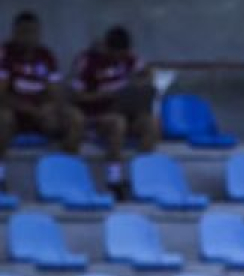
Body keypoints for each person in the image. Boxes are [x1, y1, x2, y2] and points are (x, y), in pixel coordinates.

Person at [69, 25, 158, 198]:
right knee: (117, 123)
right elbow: (77, 96)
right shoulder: (88, 60)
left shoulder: (128, 58)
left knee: (151, 124)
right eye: (117, 54)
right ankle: (114, 180)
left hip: (126, 111)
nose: (120, 58)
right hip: (96, 117)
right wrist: (105, 95)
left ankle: (140, 179)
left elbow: (148, 73)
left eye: (124, 55)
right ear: (108, 48)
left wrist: (139, 84)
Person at [0, 11, 82, 188]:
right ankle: (1, 175)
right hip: (15, 115)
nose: (29, 37)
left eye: (33, 32)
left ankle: (65, 176)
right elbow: (2, 93)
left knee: (74, 118)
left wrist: (51, 107)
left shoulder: (46, 56)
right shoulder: (5, 54)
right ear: (15, 32)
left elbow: (55, 92)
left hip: (40, 114)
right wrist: (29, 109)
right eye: (24, 32)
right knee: (3, 119)